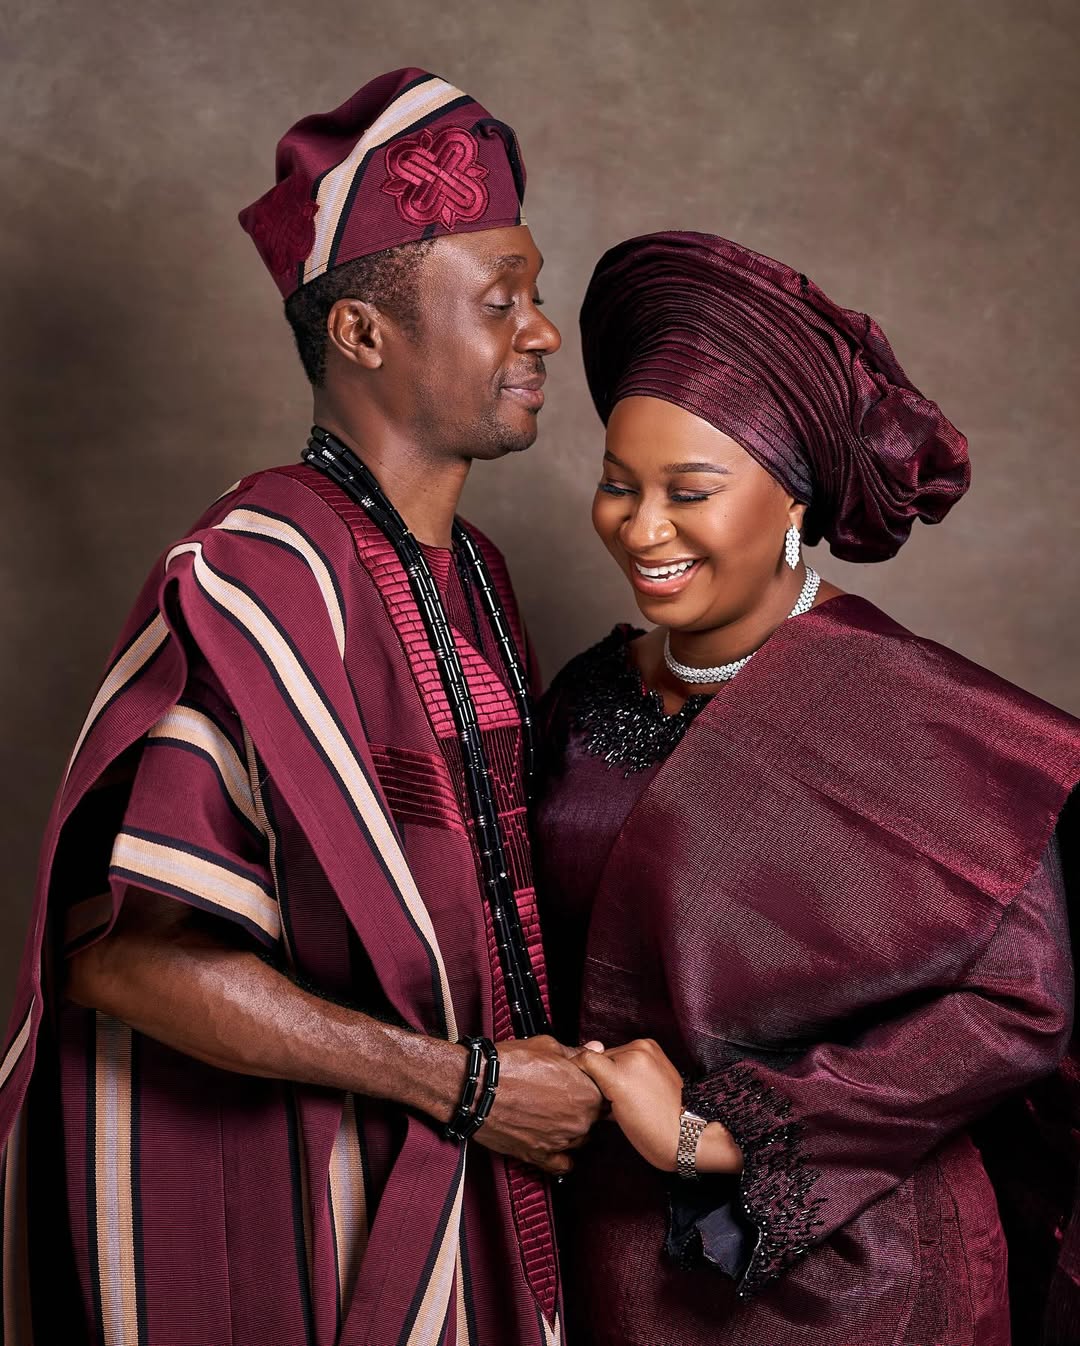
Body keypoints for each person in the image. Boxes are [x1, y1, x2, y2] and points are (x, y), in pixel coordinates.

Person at [0, 68, 602, 1346]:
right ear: (363, 334)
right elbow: (124, 955)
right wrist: (464, 1080)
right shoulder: (254, 574)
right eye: (502, 302)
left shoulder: (480, 577)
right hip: (322, 1221)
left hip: (499, 1198)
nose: (543, 332)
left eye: (536, 297)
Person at [534, 231, 1080, 1346]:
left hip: (853, 1276)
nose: (641, 529)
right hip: (602, 1254)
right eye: (616, 485)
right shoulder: (584, 695)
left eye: (689, 490)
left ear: (792, 499)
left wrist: (717, 1135)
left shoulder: (910, 709)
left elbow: (1021, 1002)